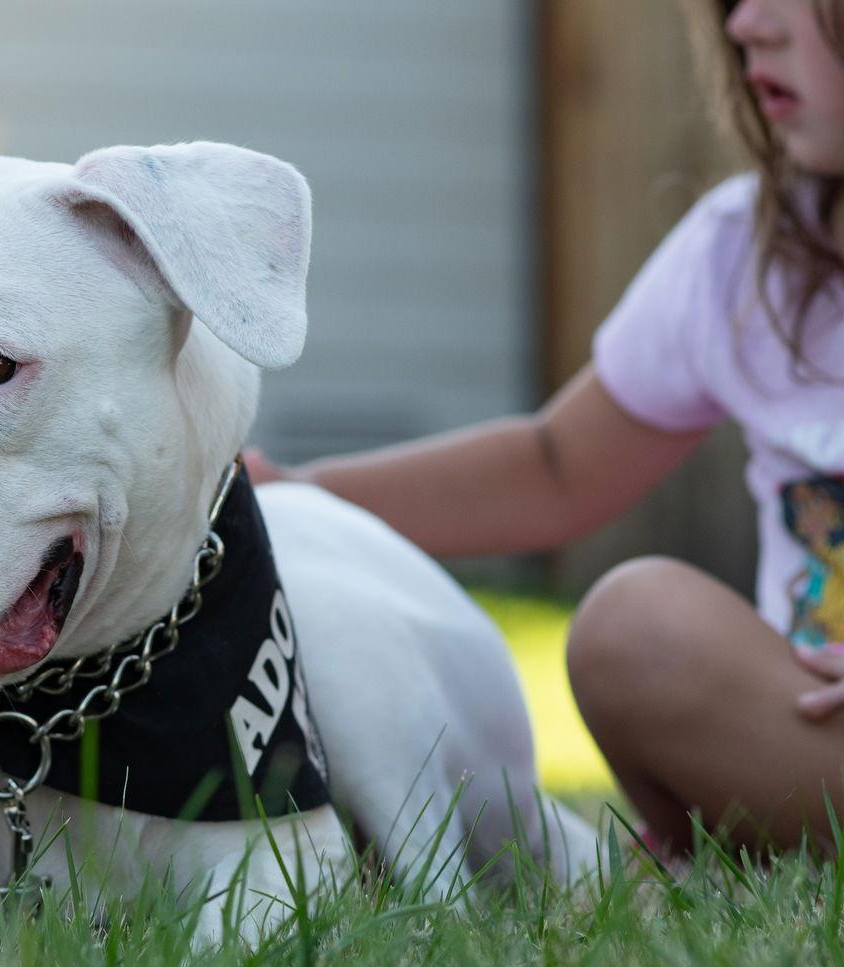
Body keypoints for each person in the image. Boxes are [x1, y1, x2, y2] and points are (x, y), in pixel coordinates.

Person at [249, 0, 844, 858]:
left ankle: (710, 847)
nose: (747, 23)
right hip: (814, 742)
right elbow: (556, 466)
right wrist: (300, 496)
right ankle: (729, 832)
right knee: (634, 627)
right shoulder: (744, 251)